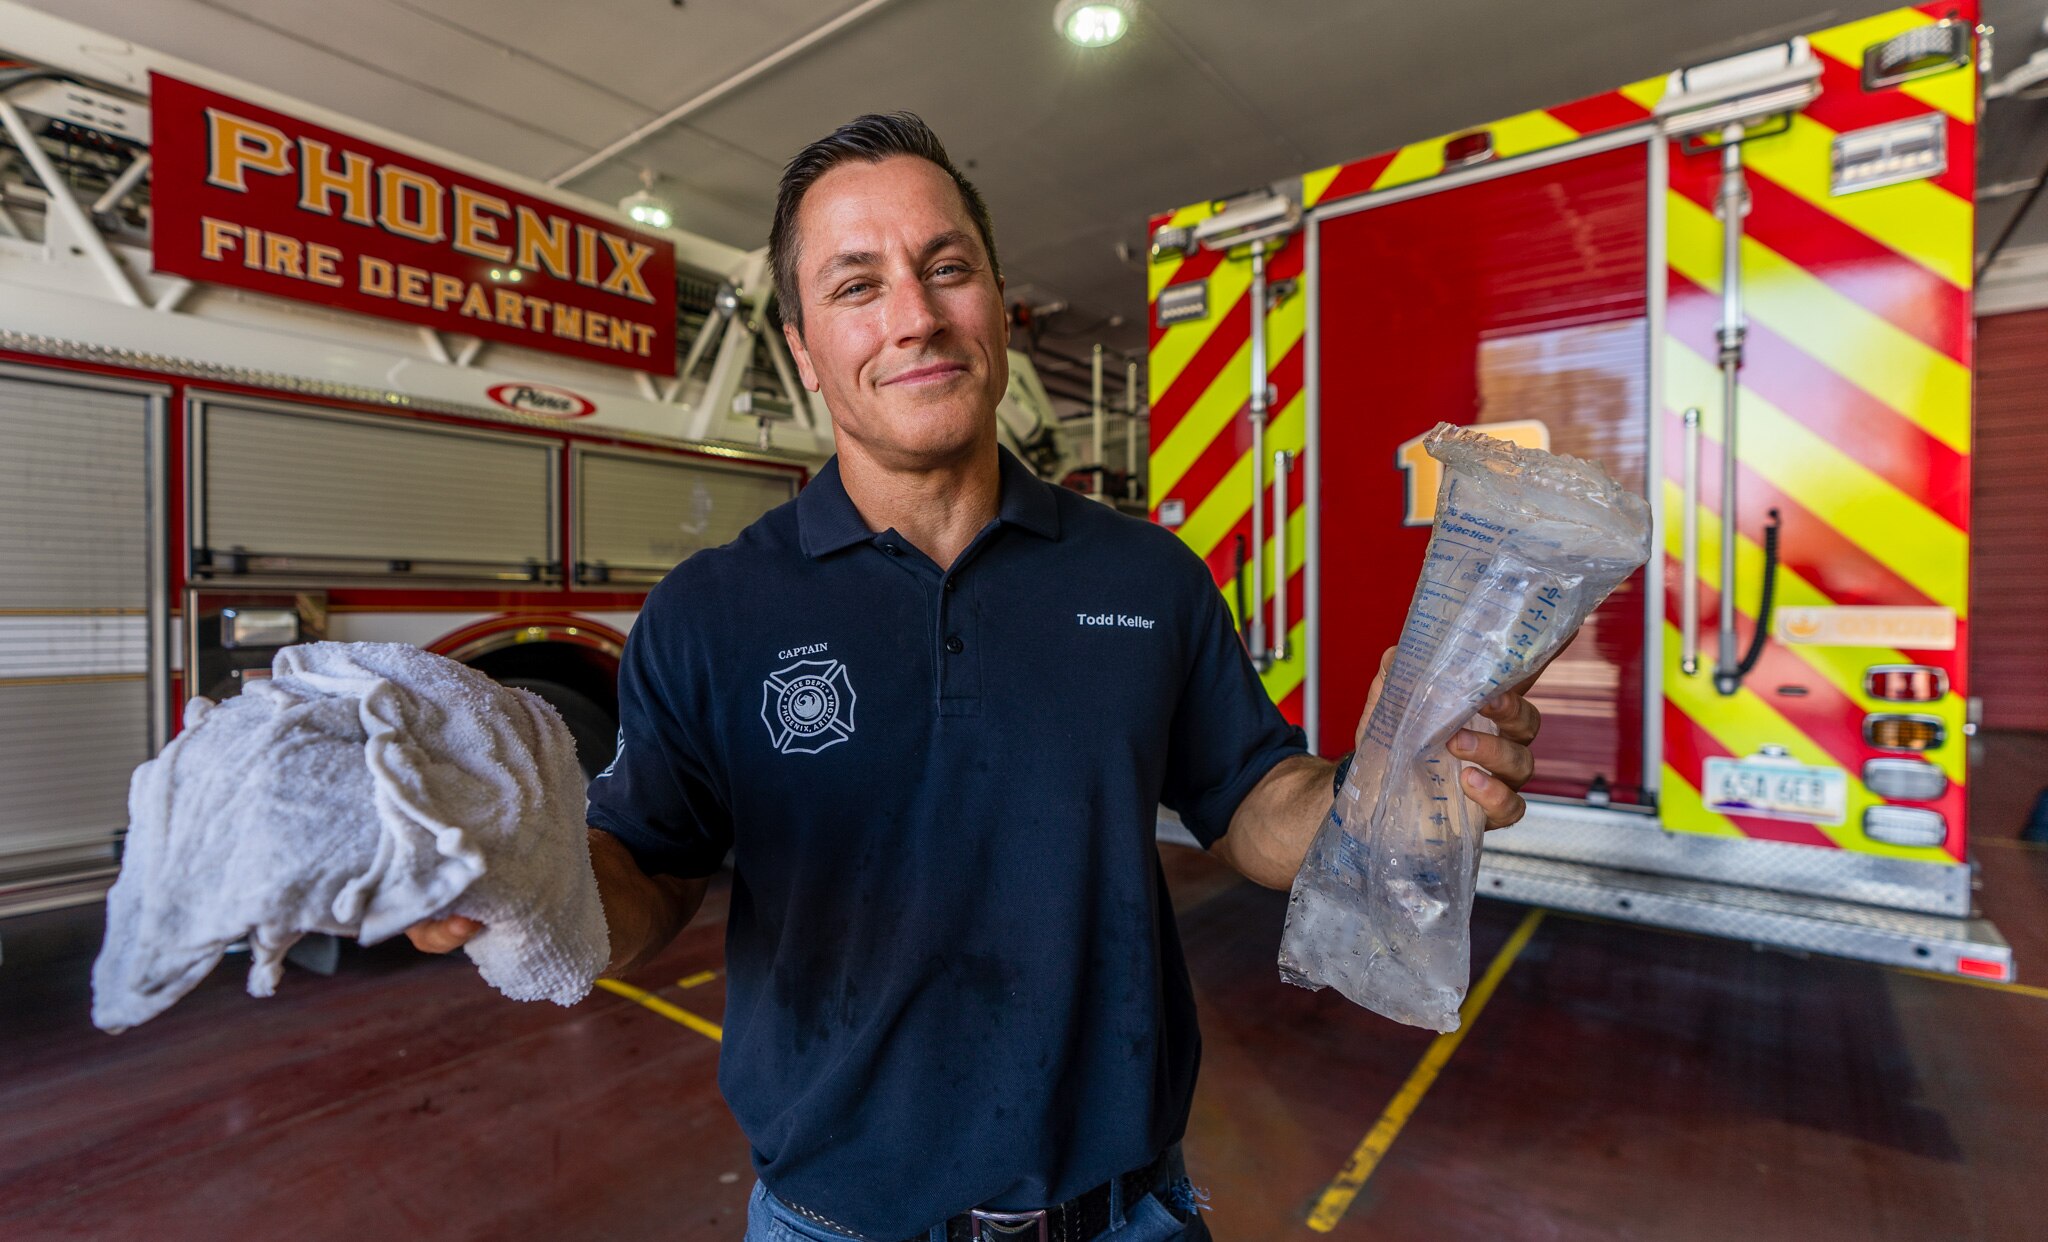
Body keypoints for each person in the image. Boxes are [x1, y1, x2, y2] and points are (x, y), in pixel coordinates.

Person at [408, 113, 1544, 1242]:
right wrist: (520, 876)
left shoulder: (1145, 574)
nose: (913, 316)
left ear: (996, 302)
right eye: (855, 285)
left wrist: (1388, 779)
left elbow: (1249, 804)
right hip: (831, 1222)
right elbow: (647, 879)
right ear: (802, 349)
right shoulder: (709, 612)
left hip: (1126, 1216)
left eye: (944, 268)